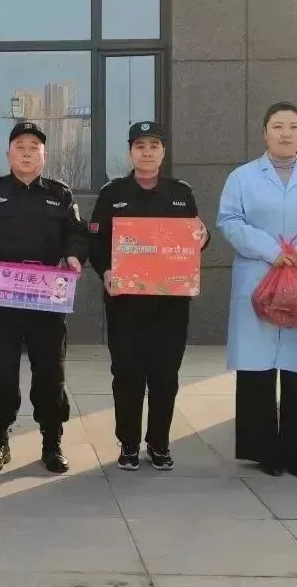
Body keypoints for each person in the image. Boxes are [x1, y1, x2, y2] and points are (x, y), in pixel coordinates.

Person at [217, 102, 297, 478]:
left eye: (293, 126)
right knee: (257, 367)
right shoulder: (242, 177)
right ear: (264, 133)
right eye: (277, 126)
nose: (286, 133)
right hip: (259, 273)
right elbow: (229, 220)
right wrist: (271, 250)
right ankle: (263, 452)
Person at [0, 120, 89, 474]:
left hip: (46, 301)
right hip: (2, 299)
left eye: (34, 148)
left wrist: (74, 255)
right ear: (8, 154)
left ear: (44, 156)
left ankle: (52, 442)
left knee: (50, 373)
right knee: (0, 373)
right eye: (20, 147)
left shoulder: (60, 194)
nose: (27, 153)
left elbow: (76, 233)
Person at [88, 121, 209, 472]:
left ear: (163, 152)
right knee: (127, 373)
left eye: (154, 146)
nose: (147, 152)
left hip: (170, 305)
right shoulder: (112, 193)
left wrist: (203, 237)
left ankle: (159, 443)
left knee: (165, 376)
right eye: (140, 146)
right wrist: (105, 271)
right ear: (130, 152)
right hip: (125, 303)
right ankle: (128, 443)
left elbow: (195, 238)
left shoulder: (180, 193)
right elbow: (95, 242)